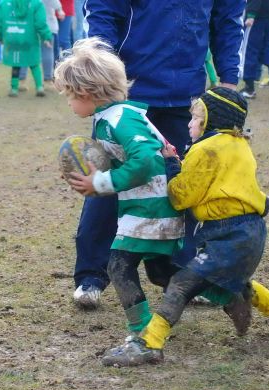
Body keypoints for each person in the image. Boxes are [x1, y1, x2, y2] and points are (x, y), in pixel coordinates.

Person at [101, 87, 269, 367]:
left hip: (228, 234)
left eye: (196, 118)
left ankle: (149, 343)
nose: (189, 123)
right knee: (228, 280)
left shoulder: (206, 149)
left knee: (180, 284)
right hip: (251, 231)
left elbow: (181, 196)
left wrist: (173, 164)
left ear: (211, 121)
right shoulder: (238, 145)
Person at [73, 0, 246, 309]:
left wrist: (229, 78)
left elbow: (228, 18)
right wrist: (104, 74)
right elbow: (102, 11)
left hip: (185, 94)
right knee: (109, 181)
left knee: (181, 184)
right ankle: (92, 276)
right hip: (125, 92)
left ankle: (184, 276)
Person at [54, 37, 188, 341]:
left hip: (152, 208)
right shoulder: (112, 117)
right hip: (148, 206)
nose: (69, 103)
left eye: (69, 96)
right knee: (161, 273)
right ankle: (233, 295)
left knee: (118, 266)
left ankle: (142, 332)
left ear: (86, 93)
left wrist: (101, 182)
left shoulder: (120, 120)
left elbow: (145, 161)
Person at [0, 0, 53, 97]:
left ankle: (14, 89)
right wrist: (46, 37)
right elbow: (40, 23)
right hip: (30, 38)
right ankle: (39, 87)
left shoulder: (3, 4)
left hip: (12, 38)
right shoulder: (36, 4)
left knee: (15, 64)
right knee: (34, 63)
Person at [18, 0, 65, 89]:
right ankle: (47, 80)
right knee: (47, 52)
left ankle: (21, 80)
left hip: (28, 26)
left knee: (25, 52)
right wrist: (59, 9)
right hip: (47, 25)